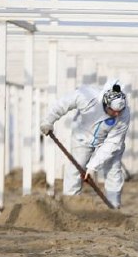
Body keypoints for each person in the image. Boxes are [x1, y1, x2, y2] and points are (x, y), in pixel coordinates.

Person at [39, 79, 129, 208]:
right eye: (113, 111)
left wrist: (92, 167)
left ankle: (114, 206)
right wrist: (48, 121)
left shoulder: (124, 114)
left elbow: (113, 143)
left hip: (109, 142)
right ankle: (71, 203)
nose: (116, 114)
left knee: (113, 169)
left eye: (119, 111)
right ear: (105, 104)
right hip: (83, 137)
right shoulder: (86, 96)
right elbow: (62, 104)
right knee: (75, 169)